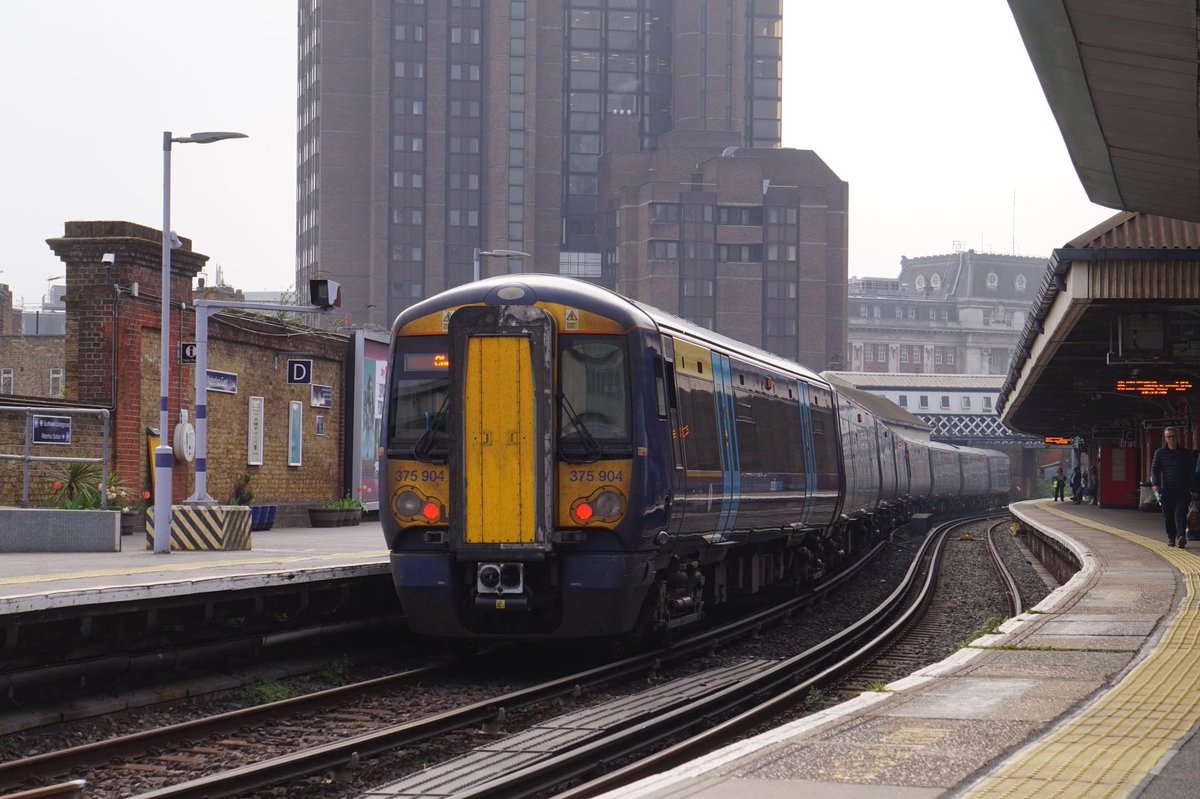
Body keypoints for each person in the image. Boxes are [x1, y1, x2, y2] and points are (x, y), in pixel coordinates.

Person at [1150, 427, 1196, 547]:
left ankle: (1181, 536)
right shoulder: (1159, 453)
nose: (1171, 439)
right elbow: (1155, 469)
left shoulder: (1185, 453)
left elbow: (1191, 472)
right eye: (1169, 437)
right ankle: (1171, 537)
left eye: (1173, 436)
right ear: (1165, 438)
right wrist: (1155, 484)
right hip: (1166, 489)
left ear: (1177, 437)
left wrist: (1194, 489)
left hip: (1183, 489)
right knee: (1168, 515)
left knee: (1181, 513)